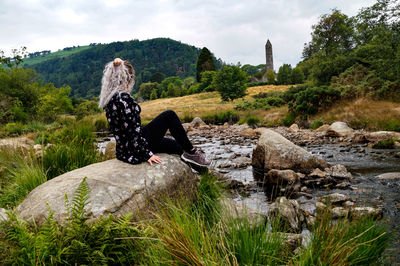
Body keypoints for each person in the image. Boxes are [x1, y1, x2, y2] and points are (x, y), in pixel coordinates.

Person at [99, 58, 210, 169]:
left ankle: (201, 170)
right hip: (135, 148)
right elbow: (133, 132)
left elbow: (127, 130)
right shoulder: (123, 99)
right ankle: (192, 152)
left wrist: (117, 65)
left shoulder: (109, 100)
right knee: (169, 115)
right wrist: (146, 154)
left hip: (124, 149)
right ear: (127, 78)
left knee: (176, 145)